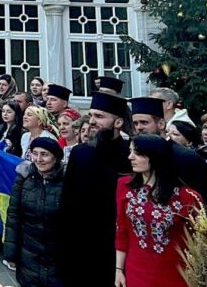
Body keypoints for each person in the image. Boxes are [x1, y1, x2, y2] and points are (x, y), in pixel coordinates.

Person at [60, 92, 131, 287]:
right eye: (91, 115)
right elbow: (67, 204)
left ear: (118, 123)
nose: (91, 121)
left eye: (99, 116)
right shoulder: (80, 153)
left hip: (116, 250)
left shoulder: (131, 154)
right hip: (81, 247)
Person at [114, 135, 202, 287]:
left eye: (137, 153)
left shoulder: (188, 197)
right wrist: (118, 269)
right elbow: (122, 230)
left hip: (176, 273)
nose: (130, 157)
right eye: (130, 151)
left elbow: (199, 240)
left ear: (156, 156)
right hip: (135, 270)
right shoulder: (124, 185)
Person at [2, 136, 66, 286]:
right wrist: (10, 252)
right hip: (28, 254)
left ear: (55, 157)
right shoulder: (24, 177)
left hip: (56, 256)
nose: (38, 159)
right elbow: (13, 216)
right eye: (34, 153)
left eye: (44, 154)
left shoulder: (67, 180)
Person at [131, 97, 207, 204]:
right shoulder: (133, 155)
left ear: (161, 124)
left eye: (144, 122)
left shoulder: (186, 157)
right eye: (135, 124)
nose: (139, 128)